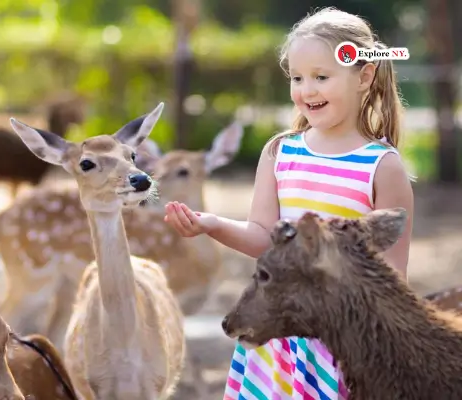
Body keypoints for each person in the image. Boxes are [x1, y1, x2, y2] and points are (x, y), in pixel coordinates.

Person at [163, 7, 414, 400]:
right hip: (277, 342)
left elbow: (393, 277)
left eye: (321, 77)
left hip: (342, 344)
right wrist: (211, 224)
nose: (306, 90)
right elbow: (264, 239)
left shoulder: (382, 167)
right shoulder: (280, 153)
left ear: (364, 76)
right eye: (297, 78)